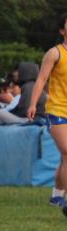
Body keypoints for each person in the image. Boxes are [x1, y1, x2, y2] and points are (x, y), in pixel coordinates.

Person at [27, 14, 67, 214]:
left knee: (65, 157)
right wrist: (33, 104)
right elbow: (41, 80)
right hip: (57, 109)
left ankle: (57, 196)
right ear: (62, 30)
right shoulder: (54, 53)